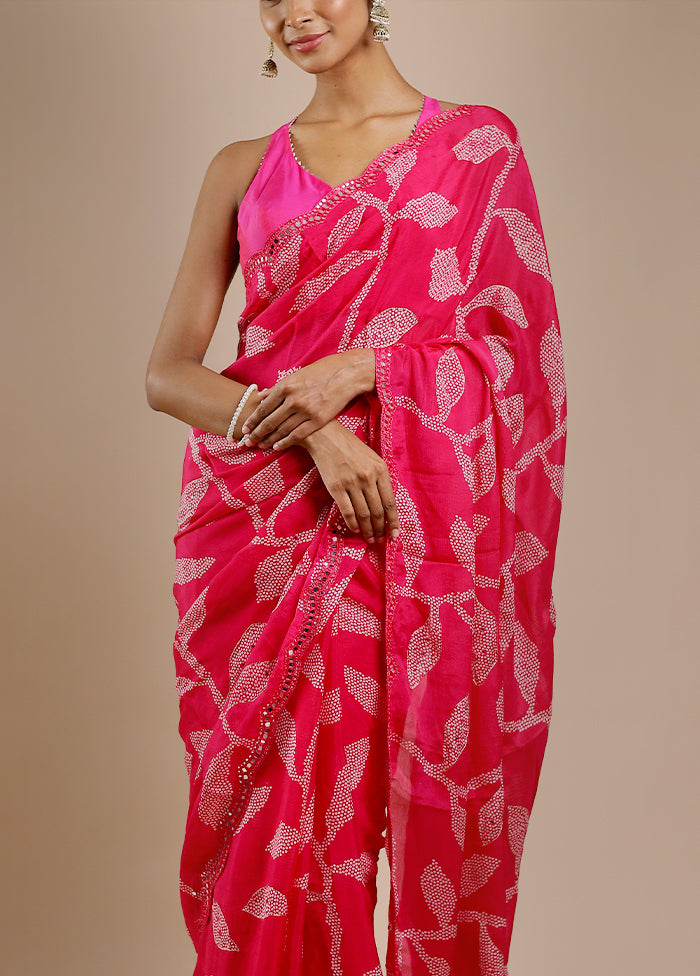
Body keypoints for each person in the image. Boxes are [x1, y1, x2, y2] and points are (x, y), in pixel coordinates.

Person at [145, 2, 568, 974]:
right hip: (269, 532)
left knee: (422, 803)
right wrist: (313, 431)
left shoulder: (476, 149)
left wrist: (368, 368)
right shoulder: (241, 168)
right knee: (279, 832)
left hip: (414, 530)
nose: (294, 12)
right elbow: (168, 374)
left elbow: (517, 356)